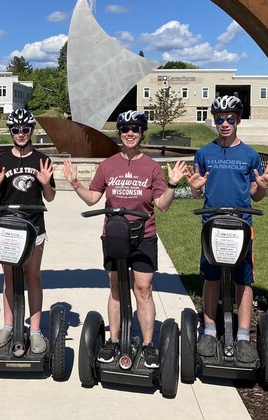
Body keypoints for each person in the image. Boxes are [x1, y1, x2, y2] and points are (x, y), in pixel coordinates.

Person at [63, 110, 187, 368]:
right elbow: (93, 198)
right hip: (115, 236)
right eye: (125, 129)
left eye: (135, 129)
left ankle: (148, 344)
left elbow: (162, 206)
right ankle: (114, 340)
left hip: (144, 236)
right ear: (119, 133)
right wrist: (75, 183)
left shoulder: (151, 167)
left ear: (142, 133)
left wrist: (172, 185)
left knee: (143, 289)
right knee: (117, 289)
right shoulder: (107, 165)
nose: (130, 133)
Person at [186, 95, 268, 363]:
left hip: (241, 225)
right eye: (219, 119)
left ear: (238, 120)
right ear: (214, 121)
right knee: (211, 277)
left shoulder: (249, 154)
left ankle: (242, 336)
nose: (224, 123)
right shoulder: (204, 153)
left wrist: (261, 186)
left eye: (229, 119)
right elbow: (198, 190)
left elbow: (255, 195)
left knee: (244, 279)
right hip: (212, 223)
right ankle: (209, 330)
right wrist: (194, 188)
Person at [0, 108, 56, 354]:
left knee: (32, 276)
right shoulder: (1, 161)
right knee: (9, 278)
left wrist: (46, 184)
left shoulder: (41, 160)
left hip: (34, 225)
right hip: (8, 226)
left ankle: (35, 330)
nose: (21, 134)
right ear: (11, 132)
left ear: (32, 131)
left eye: (25, 129)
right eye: (16, 129)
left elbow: (51, 197)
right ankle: (8, 324)